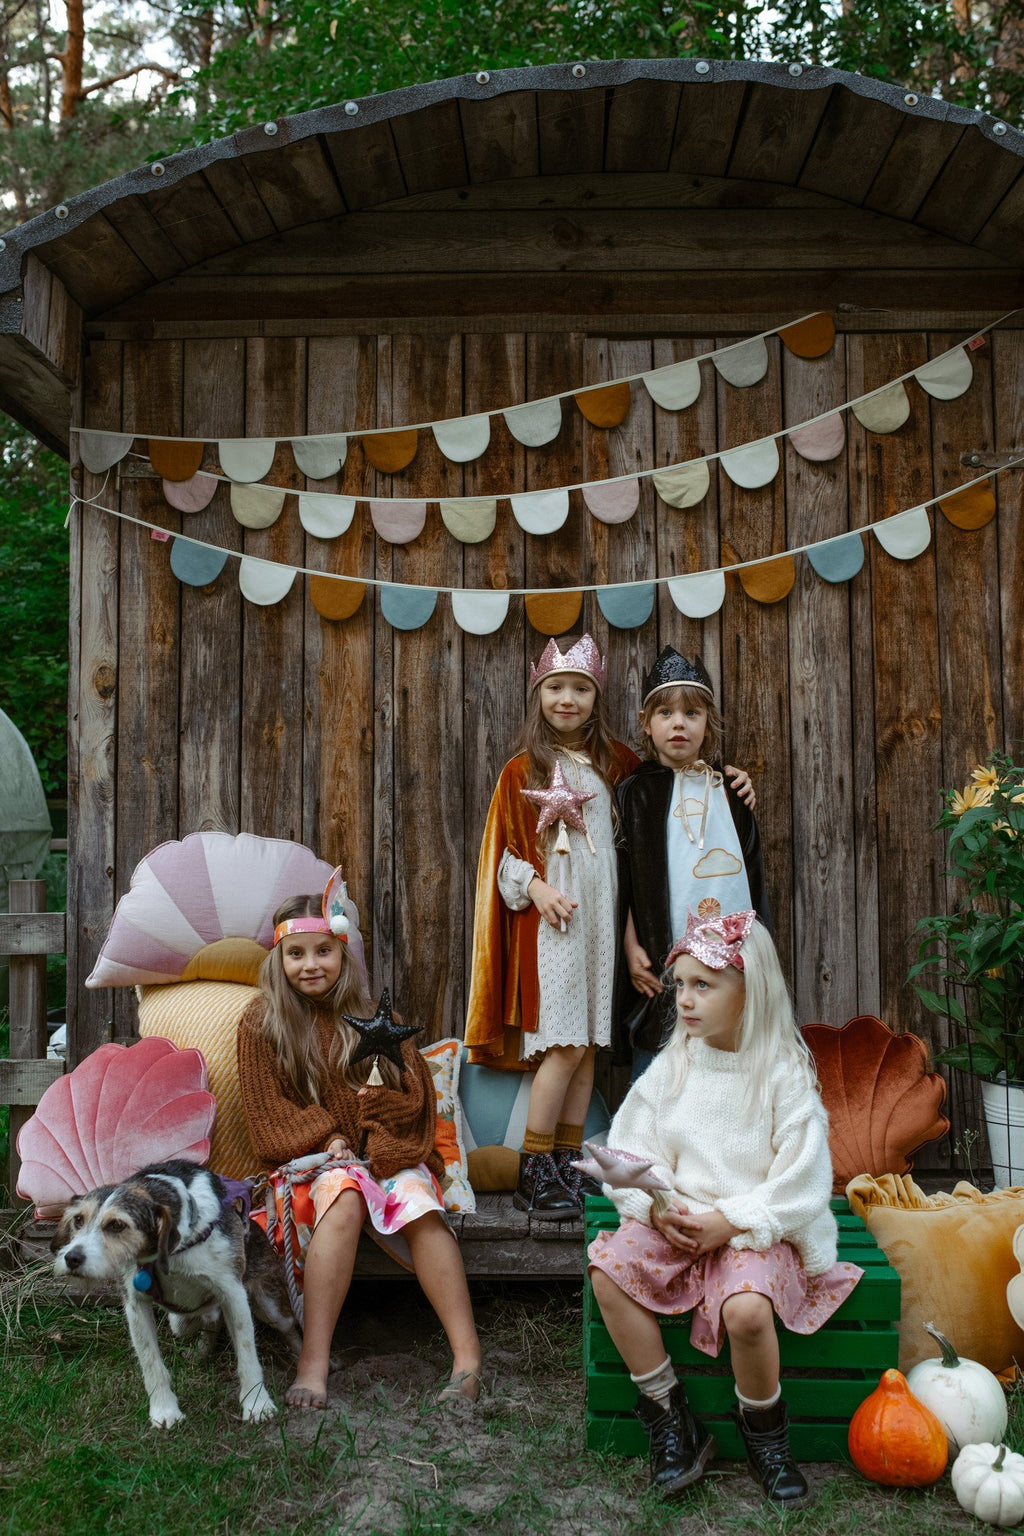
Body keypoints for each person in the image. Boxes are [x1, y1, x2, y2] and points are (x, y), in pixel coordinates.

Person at [588, 911, 861, 1507]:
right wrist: (653, 1208)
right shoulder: (675, 1065)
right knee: (608, 1273)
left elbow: (805, 1177)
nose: (683, 1000)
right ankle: (667, 1411)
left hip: (756, 1227)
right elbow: (632, 1148)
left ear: (750, 991)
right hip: (682, 1222)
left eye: (703, 986)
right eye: (679, 984)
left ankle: (764, 1430)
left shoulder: (782, 1074)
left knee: (746, 1314)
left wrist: (734, 1221)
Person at [237, 891, 482, 1410]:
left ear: (344, 953)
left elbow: (415, 1095)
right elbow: (267, 1114)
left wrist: (381, 1125)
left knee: (418, 1199)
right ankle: (314, 1362)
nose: (310, 965)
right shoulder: (262, 1024)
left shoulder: (372, 1019)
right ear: (278, 960)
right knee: (343, 1195)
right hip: (314, 1164)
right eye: (296, 953)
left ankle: (467, 1362)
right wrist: (329, 1137)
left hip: (382, 1156)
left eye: (323, 951)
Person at [464, 634, 640, 1219]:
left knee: (587, 1049)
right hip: (554, 928)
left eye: (580, 689)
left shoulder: (616, 765)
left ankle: (569, 1165)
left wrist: (727, 776)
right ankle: (533, 1171)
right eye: (557, 688)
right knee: (561, 1048)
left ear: (596, 696)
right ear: (539, 694)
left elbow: (668, 780)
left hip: (600, 927)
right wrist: (537, 889)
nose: (568, 699)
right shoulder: (523, 769)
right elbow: (505, 857)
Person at [616, 646, 769, 1079]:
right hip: (664, 955)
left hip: (728, 952)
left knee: (727, 1047)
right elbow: (623, 882)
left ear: (709, 724)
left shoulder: (730, 789)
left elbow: (753, 874)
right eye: (665, 712)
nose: (678, 723)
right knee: (661, 1052)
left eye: (692, 714)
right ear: (647, 724)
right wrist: (631, 949)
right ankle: (647, 1142)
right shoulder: (635, 793)